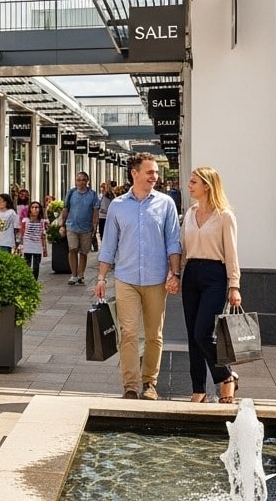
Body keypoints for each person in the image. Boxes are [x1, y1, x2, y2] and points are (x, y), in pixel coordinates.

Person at [93, 153, 182, 401]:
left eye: (155, 173)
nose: (155, 177)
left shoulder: (165, 204)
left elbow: (173, 242)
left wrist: (174, 273)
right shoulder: (118, 206)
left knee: (154, 334)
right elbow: (109, 244)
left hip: (156, 280)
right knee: (129, 332)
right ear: (135, 173)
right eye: (150, 172)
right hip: (126, 279)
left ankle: (150, 383)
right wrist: (101, 278)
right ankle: (130, 386)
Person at [180, 166, 243, 404]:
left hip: (215, 276)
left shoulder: (225, 216)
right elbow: (183, 247)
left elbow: (232, 253)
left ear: (207, 186)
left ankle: (226, 376)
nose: (190, 185)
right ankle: (198, 389)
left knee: (202, 333)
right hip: (192, 274)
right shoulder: (190, 213)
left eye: (194, 182)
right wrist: (175, 273)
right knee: (192, 336)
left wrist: (234, 285)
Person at [61, 172, 99, 285]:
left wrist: (94, 226)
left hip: (86, 228)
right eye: (79, 180)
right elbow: (65, 208)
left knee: (84, 251)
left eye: (83, 180)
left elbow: (95, 210)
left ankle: (81, 274)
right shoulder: (71, 193)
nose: (81, 182)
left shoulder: (92, 194)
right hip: (72, 226)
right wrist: (62, 225)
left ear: (87, 181)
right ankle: (73, 275)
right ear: (76, 181)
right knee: (72, 249)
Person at [18, 200, 49, 277]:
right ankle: (28, 281)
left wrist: (45, 248)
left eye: (37, 207)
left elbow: (43, 235)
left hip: (37, 245)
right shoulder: (25, 220)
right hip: (27, 244)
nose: (35, 209)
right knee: (27, 264)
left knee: (36, 266)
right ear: (30, 209)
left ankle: (34, 281)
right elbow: (22, 233)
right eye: (33, 207)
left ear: (40, 209)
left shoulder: (42, 221)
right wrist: (20, 244)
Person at [97, 181, 114, 248]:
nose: (103, 190)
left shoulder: (110, 196)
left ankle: (107, 246)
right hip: (102, 217)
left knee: (107, 233)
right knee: (102, 233)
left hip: (108, 217)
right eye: (102, 188)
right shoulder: (100, 196)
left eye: (104, 188)